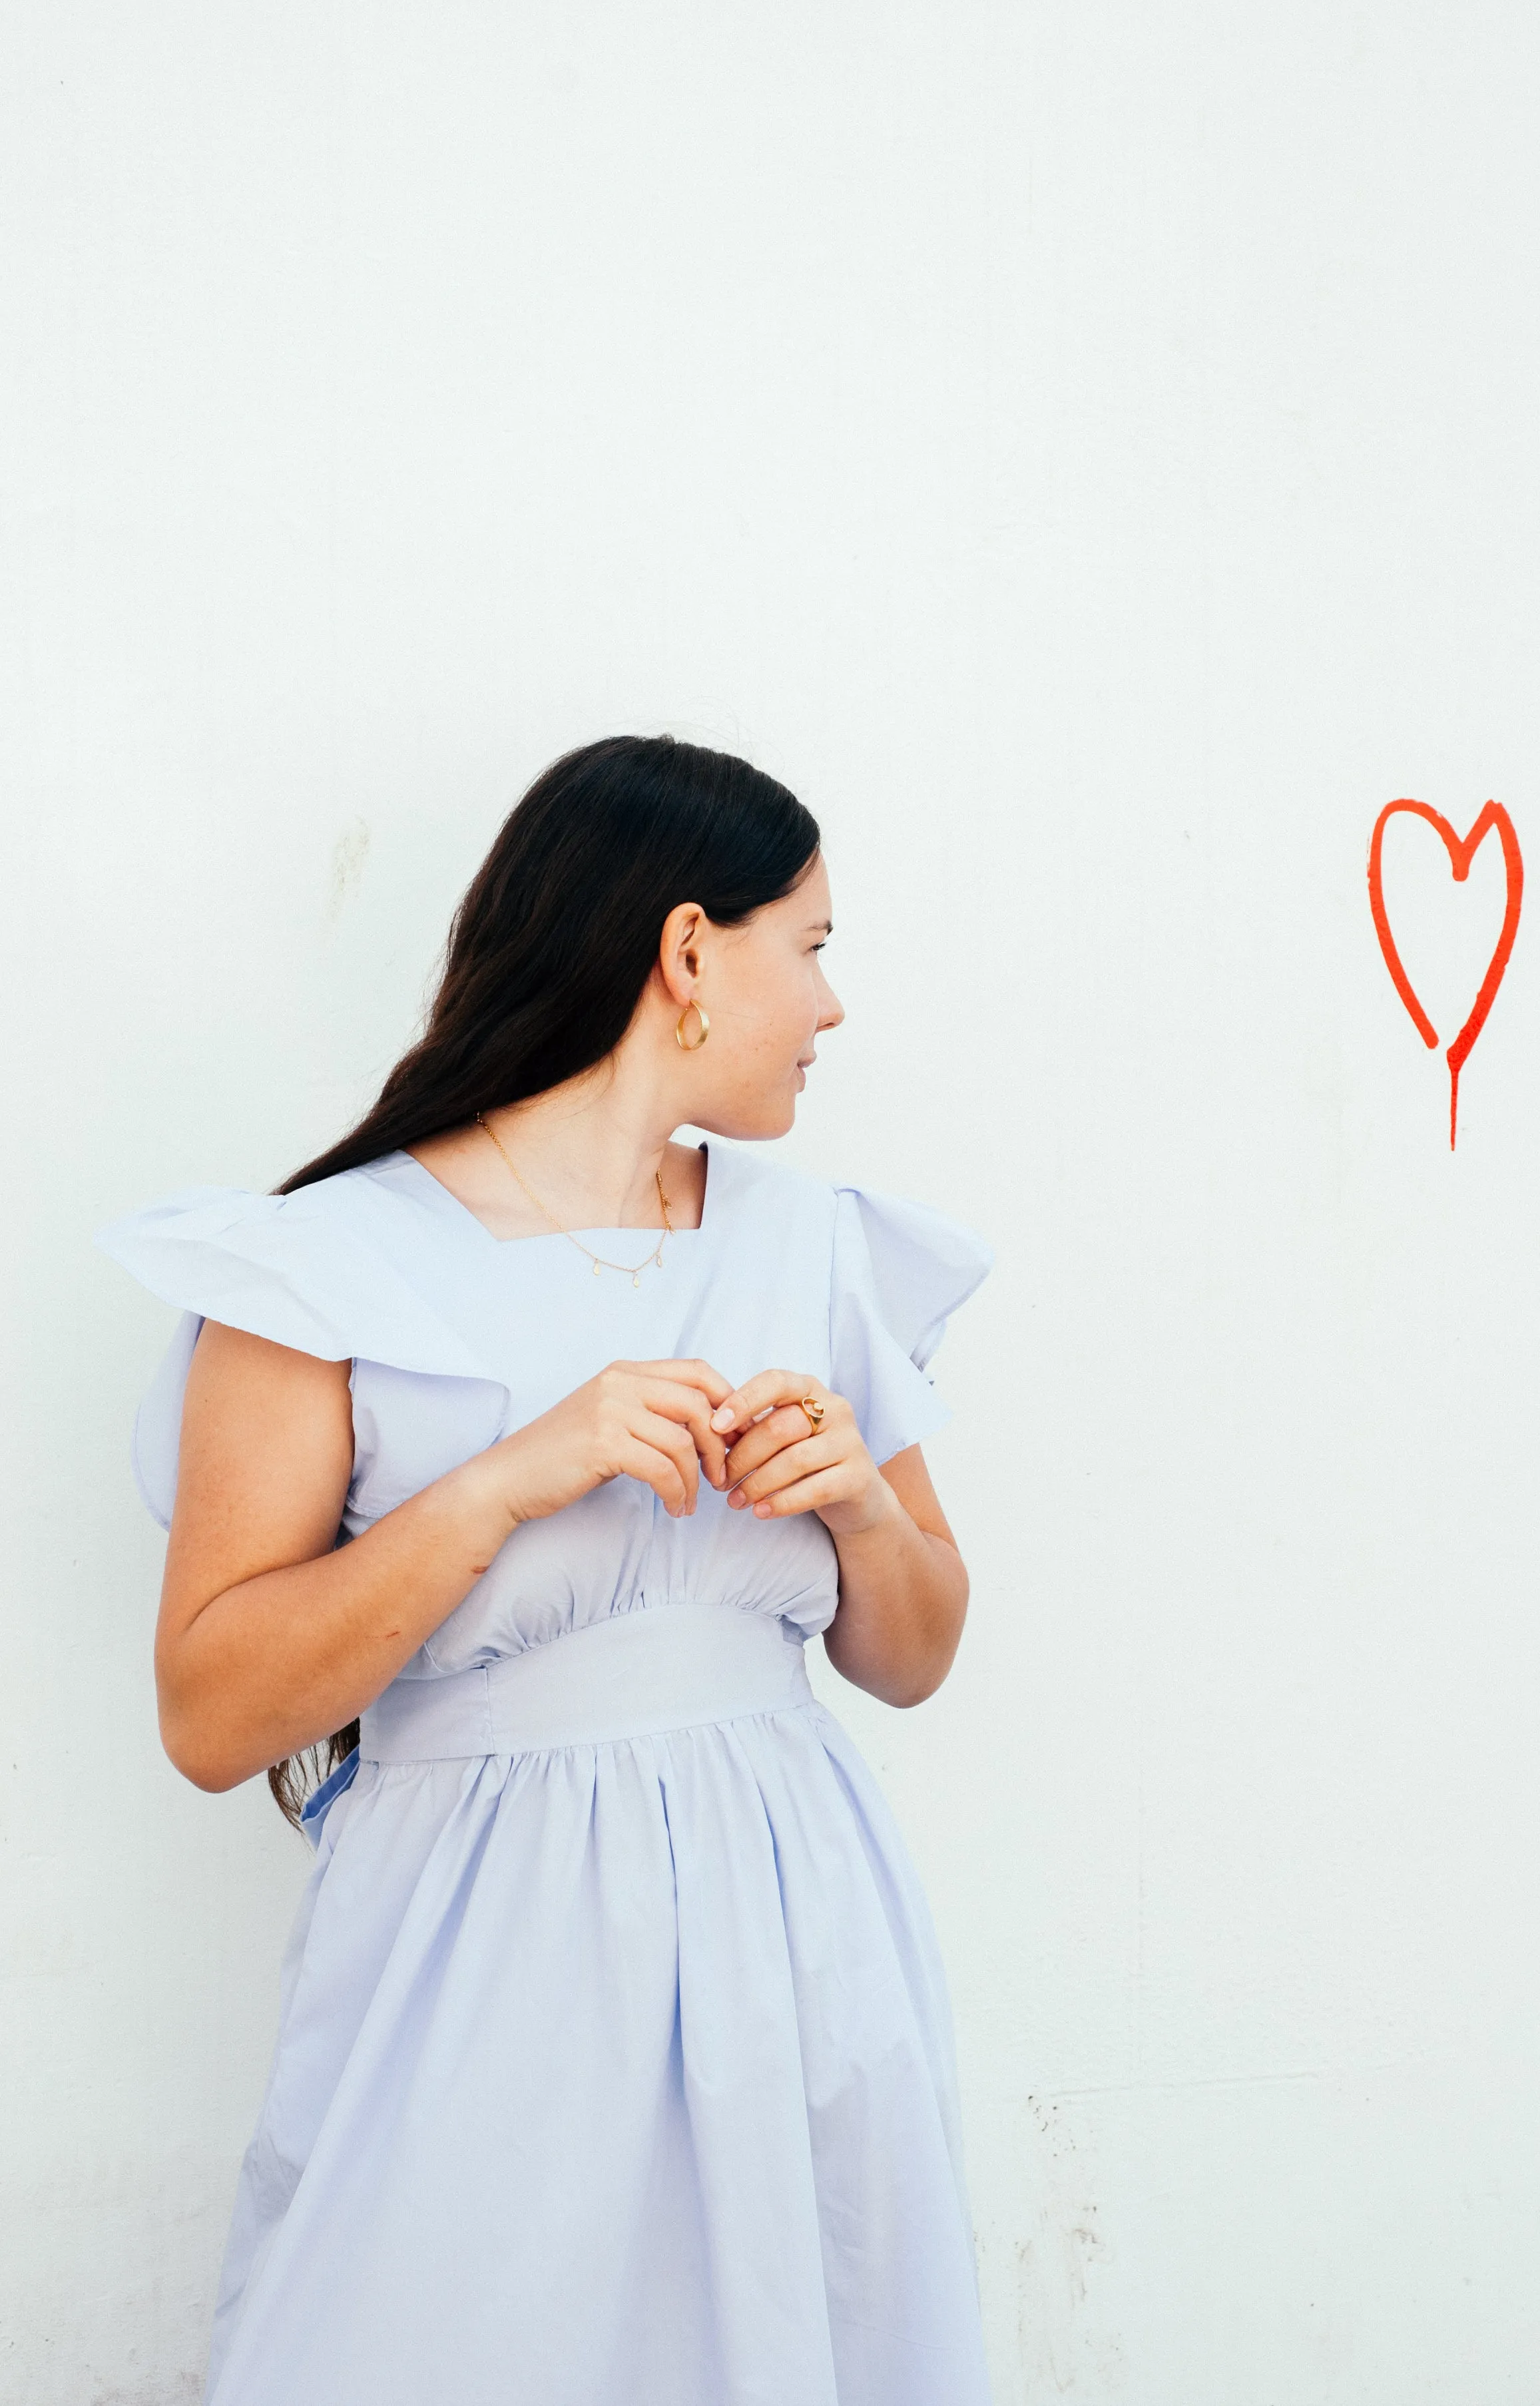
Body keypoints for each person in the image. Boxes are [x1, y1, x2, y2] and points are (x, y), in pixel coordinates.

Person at [99, 735, 994, 2406]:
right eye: (810, 947)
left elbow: (917, 1651)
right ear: (686, 955)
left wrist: (862, 1510)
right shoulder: (324, 1267)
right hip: (478, 1959)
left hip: (791, 1928)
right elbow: (214, 1715)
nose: (832, 1005)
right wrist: (509, 1481)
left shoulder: (810, 1243)